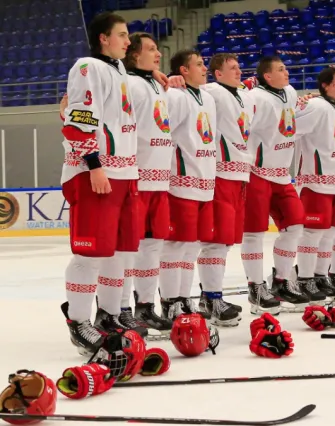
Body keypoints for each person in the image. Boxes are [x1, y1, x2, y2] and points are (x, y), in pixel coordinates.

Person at [59, 12, 140, 354]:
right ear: (104, 38)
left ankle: (108, 316)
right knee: (89, 253)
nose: (128, 41)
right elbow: (79, 118)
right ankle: (79, 322)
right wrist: (93, 164)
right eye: (122, 35)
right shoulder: (87, 67)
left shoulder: (119, 70)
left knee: (118, 253)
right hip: (98, 173)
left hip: (125, 174)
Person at [242, 56, 307, 313]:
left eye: (286, 67)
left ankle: (280, 281)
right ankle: (255, 287)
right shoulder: (254, 97)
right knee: (254, 233)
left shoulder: (289, 91)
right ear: (267, 76)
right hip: (257, 172)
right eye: (281, 69)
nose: (287, 72)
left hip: (282, 174)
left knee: (296, 225)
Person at [119, 32, 175, 336]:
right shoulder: (128, 83)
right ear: (133, 55)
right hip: (136, 179)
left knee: (153, 246)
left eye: (157, 49)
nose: (158, 54)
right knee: (128, 247)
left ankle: (144, 307)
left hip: (160, 180)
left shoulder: (157, 84)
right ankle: (121, 310)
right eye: (151, 50)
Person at [194, 52, 254, 323]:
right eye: (232, 68)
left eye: (239, 67)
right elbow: (193, 91)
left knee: (225, 241)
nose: (238, 71)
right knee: (215, 242)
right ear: (217, 74)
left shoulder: (238, 94)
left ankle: (212, 297)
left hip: (239, 176)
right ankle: (211, 298)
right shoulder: (213, 91)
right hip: (221, 174)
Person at [157, 49, 217, 319]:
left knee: (192, 244)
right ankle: (170, 301)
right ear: (183, 70)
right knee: (176, 244)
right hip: (181, 182)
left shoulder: (208, 96)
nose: (205, 68)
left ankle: (184, 297)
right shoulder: (176, 96)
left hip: (205, 182)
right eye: (199, 64)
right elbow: (161, 131)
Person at [294, 67, 335, 306]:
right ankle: (305, 278)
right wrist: (299, 105)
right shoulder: (316, 106)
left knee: (331, 232)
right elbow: (292, 129)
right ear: (325, 85)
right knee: (313, 232)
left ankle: (320, 275)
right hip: (317, 179)